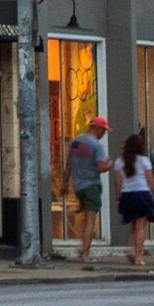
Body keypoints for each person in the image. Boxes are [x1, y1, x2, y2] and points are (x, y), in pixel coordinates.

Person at [64, 113, 113, 265]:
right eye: (103, 130)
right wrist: (109, 165)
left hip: (78, 186)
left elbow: (69, 164)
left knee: (85, 219)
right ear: (97, 128)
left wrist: (64, 184)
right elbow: (99, 167)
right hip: (91, 185)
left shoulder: (76, 142)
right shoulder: (97, 146)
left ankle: (83, 249)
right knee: (90, 220)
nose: (104, 133)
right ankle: (85, 254)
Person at [117, 131, 154, 268]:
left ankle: (132, 251)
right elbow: (151, 181)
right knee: (140, 227)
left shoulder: (120, 161)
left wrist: (118, 197)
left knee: (133, 226)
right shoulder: (144, 161)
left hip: (127, 195)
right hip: (142, 194)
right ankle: (138, 256)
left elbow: (118, 182)